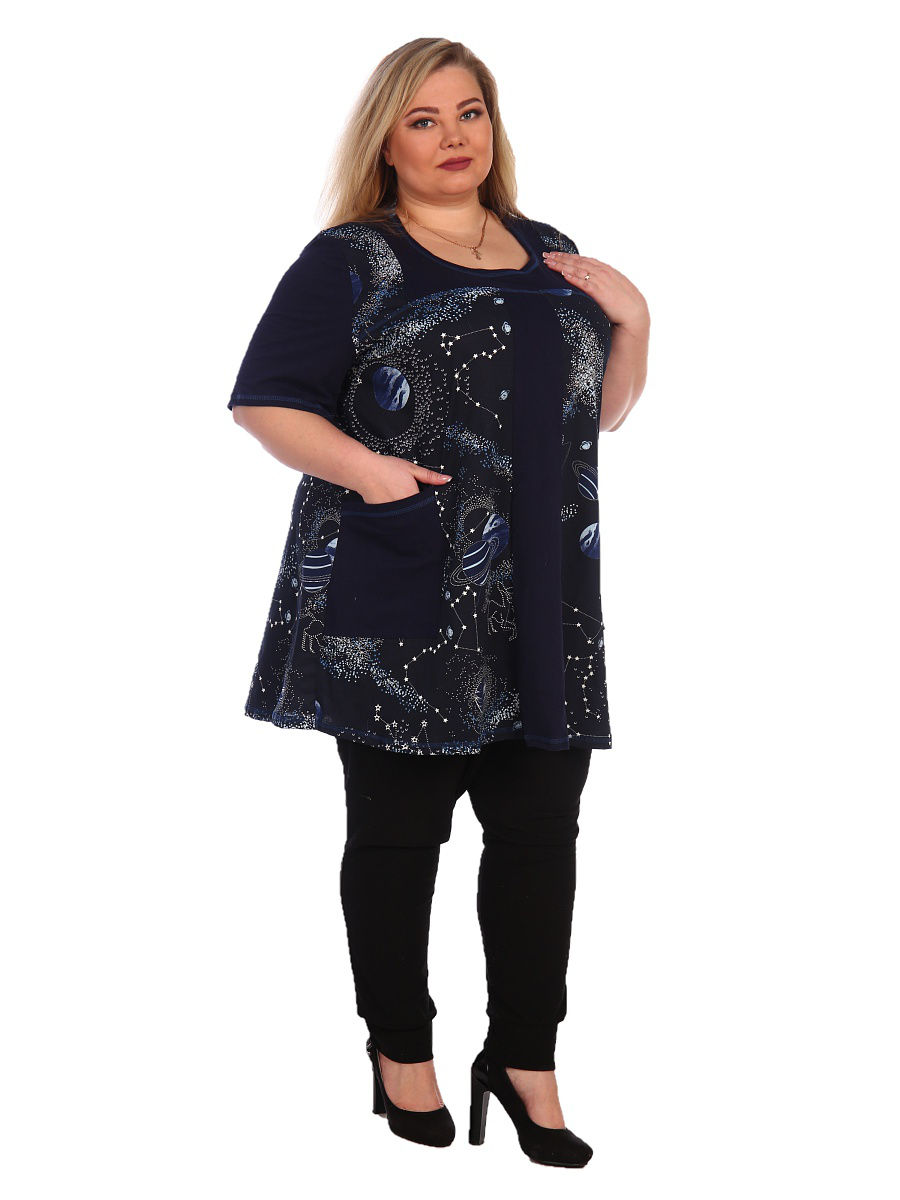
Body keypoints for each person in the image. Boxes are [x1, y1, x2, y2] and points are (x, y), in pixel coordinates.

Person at [227, 38, 649, 1167]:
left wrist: (636, 324)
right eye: (424, 119)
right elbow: (266, 402)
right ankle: (400, 1055)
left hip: (545, 601)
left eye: (470, 112)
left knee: (539, 840)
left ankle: (524, 1061)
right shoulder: (352, 261)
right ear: (387, 140)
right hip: (404, 587)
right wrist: (373, 476)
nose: (454, 137)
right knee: (400, 838)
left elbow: (599, 415)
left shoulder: (551, 252)